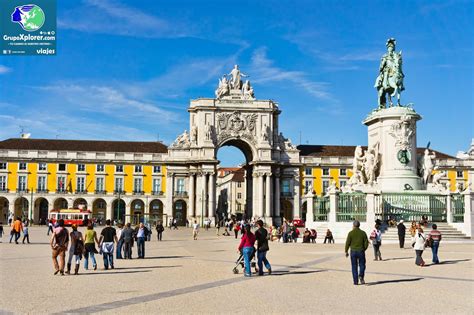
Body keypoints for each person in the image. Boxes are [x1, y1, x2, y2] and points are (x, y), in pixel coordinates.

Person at [345, 220, 369, 285]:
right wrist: (364, 249)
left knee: (354, 266)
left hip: (353, 251)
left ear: (353, 225)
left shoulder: (350, 233)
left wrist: (346, 251)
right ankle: (361, 275)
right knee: (362, 265)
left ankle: (355, 281)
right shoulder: (363, 233)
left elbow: (347, 243)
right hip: (361, 251)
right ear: (359, 225)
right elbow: (366, 242)